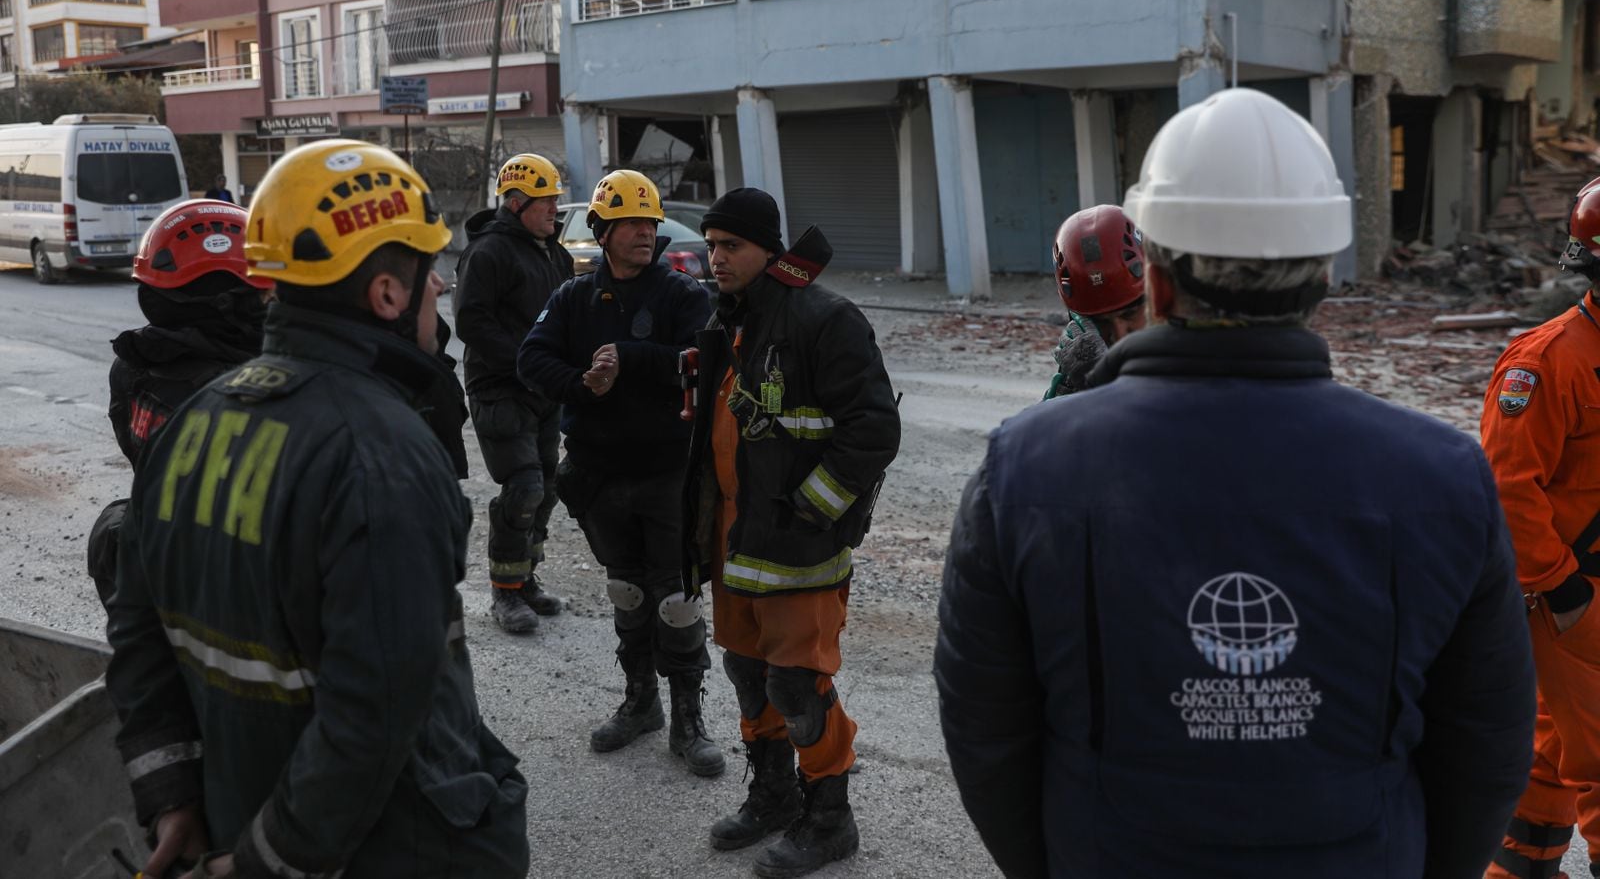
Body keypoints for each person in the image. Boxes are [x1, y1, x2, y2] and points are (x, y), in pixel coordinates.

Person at [935, 88, 1535, 879]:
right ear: (1322, 279)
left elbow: (986, 729)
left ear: (1154, 284)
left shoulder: (1026, 466)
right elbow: (1487, 742)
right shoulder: (1443, 474)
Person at [105, 139, 529, 879]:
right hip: (394, 848)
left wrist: (173, 794)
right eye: (428, 271)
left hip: (237, 815)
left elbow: (138, 636)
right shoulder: (381, 454)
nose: (441, 291)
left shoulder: (192, 422)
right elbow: (375, 715)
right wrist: (270, 863)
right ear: (388, 296)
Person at [681, 188, 901, 878]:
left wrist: (813, 508)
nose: (716, 258)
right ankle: (773, 794)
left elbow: (873, 429)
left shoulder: (824, 318)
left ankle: (830, 817)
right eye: (711, 245)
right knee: (749, 671)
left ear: (769, 251)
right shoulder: (730, 320)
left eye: (731, 246)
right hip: (736, 537)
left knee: (798, 684)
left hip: (798, 543)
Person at [517, 168, 722, 777]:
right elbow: (532, 359)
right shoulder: (574, 296)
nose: (643, 232)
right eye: (631, 222)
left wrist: (630, 361)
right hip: (601, 475)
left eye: (650, 222)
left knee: (676, 600)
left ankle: (690, 718)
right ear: (603, 232)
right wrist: (583, 383)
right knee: (627, 592)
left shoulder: (682, 293)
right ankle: (641, 703)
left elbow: (708, 361)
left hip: (667, 473)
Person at [1480, 176, 1600, 879]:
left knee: (1555, 744)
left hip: (1579, 601)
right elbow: (1506, 490)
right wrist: (1563, 593)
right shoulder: (1545, 362)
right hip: (1572, 596)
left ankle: (1520, 866)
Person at [87, 199, 270, 605]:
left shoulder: (135, 364)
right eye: (260, 291)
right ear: (229, 299)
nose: (269, 299)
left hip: (158, 570)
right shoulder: (253, 391)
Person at [455, 153, 575, 634]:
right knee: (523, 486)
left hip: (544, 389)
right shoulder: (489, 253)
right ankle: (505, 595)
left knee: (546, 487)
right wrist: (525, 363)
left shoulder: (554, 253)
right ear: (517, 201)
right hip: (499, 389)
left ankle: (524, 579)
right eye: (547, 202)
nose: (554, 210)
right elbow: (471, 321)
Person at [1043, 204, 1147, 399]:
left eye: (1130, 314)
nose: (1120, 335)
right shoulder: (1079, 366)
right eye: (1101, 322)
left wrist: (1102, 385)